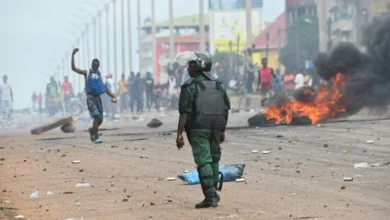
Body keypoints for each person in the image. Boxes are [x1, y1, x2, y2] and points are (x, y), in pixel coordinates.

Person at [176, 52, 230, 209]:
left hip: (198, 128)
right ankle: (212, 193)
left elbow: (184, 112)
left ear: (199, 67)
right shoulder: (219, 85)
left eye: (191, 65)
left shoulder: (189, 86)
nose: (188, 68)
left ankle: (211, 196)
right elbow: (225, 108)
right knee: (213, 159)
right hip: (215, 127)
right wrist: (222, 130)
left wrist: (179, 133)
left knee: (204, 160)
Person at [71, 48, 117, 144]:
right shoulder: (86, 73)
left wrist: (113, 96)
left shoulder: (101, 76)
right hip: (90, 98)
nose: (95, 67)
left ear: (98, 66)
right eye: (94, 65)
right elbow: (74, 68)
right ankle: (95, 136)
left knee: (100, 120)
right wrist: (73, 55)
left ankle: (92, 130)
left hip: (98, 99)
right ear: (91, 65)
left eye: (97, 66)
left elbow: (106, 89)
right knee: (96, 117)